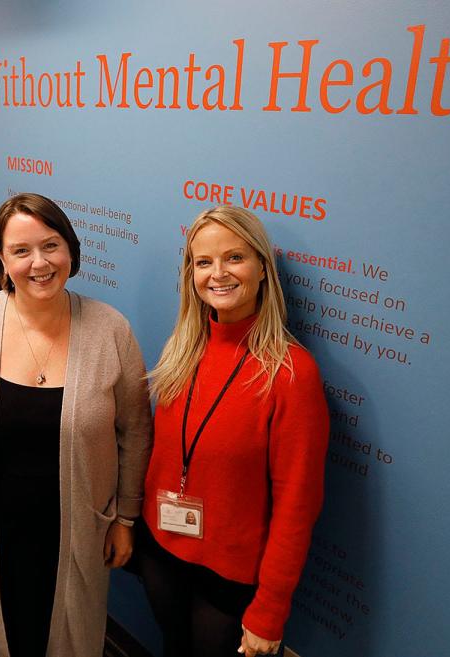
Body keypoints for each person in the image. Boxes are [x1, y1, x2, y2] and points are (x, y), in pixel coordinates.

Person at [0, 192, 152, 657]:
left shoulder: (110, 330)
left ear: (71, 251)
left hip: (77, 530)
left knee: (69, 636)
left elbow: (136, 431)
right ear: (1, 258)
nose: (39, 263)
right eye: (21, 251)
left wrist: (125, 517)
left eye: (51, 245)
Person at [139, 205, 329, 657]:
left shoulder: (290, 374)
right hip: (161, 552)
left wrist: (269, 611)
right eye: (203, 262)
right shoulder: (182, 348)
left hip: (228, 576)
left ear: (263, 267)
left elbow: (296, 506)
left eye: (234, 258)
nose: (218, 274)